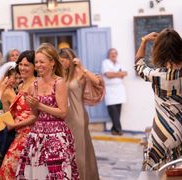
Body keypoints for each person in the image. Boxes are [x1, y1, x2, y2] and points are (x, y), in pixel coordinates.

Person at [16, 43, 79, 179]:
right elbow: (35, 114)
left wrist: (39, 105)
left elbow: (63, 112)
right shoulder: (34, 85)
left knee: (56, 174)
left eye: (41, 62)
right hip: (37, 136)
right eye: (36, 62)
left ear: (52, 63)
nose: (38, 65)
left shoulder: (59, 83)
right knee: (38, 174)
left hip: (56, 136)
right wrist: (32, 105)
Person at [135, 28, 182, 170]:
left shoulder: (155, 75)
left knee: (158, 173)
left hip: (161, 135)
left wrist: (144, 41)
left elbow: (138, 65)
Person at [58, 48, 100, 180]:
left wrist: (82, 67)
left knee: (80, 151)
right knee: (68, 151)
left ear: (70, 60)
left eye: (64, 61)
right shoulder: (60, 75)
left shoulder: (79, 73)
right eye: (60, 61)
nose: (62, 63)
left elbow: (97, 82)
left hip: (78, 116)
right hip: (65, 116)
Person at [0, 50, 37, 180]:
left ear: (34, 66)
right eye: (20, 64)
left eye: (26, 65)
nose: (22, 68)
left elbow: (36, 115)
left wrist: (15, 124)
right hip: (18, 133)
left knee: (9, 169)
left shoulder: (35, 85)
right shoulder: (21, 85)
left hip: (29, 135)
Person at [101, 48, 127, 135]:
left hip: (119, 89)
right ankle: (119, 129)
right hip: (109, 89)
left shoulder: (119, 63)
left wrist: (114, 74)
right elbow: (107, 75)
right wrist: (118, 74)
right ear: (109, 55)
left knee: (118, 110)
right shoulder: (105, 62)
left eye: (115, 53)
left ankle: (114, 129)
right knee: (113, 110)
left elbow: (125, 74)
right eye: (112, 53)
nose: (113, 55)